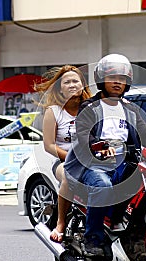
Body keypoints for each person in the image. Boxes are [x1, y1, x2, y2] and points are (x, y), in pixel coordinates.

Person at [64, 54, 146, 256]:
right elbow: (83, 134)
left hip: (125, 163)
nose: (118, 82)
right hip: (95, 164)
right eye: (113, 77)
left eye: (122, 79)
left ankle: (135, 231)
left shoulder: (131, 108)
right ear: (102, 80)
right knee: (103, 186)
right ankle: (94, 238)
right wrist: (97, 147)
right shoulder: (89, 108)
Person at [35, 65, 92, 243]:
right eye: (67, 82)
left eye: (76, 81)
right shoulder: (54, 111)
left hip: (91, 160)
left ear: (82, 84)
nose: (72, 84)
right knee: (69, 176)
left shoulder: (91, 108)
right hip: (63, 161)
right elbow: (49, 145)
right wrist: (72, 158)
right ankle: (60, 223)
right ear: (60, 88)